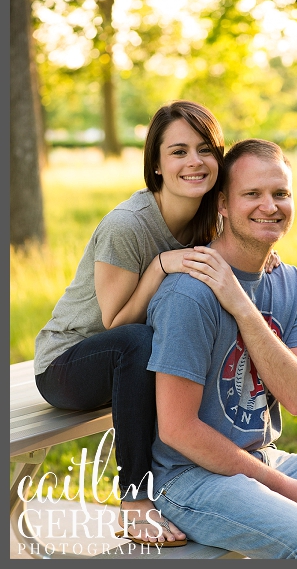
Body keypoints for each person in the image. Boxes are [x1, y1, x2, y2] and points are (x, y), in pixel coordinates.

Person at [32, 101, 279, 546]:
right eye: (178, 151)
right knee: (138, 342)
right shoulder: (128, 225)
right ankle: (134, 501)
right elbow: (115, 324)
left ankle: (229, 467)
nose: (194, 162)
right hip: (67, 366)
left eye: (205, 149)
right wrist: (160, 266)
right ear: (158, 165)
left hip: (132, 365)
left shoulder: (208, 218)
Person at [145, 139, 297, 559]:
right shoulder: (189, 293)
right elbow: (177, 429)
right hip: (187, 478)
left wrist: (243, 306)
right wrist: (280, 486)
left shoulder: (292, 283)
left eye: (280, 193)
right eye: (252, 194)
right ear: (222, 204)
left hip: (260, 458)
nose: (270, 205)